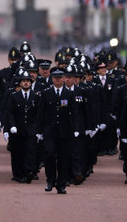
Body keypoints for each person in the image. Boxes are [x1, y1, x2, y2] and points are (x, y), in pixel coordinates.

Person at [37, 66, 83, 194]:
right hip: (49, 131)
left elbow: (74, 112)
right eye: (55, 78)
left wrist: (76, 129)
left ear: (63, 79)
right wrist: (39, 130)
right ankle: (50, 181)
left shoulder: (69, 94)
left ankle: (61, 184)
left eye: (59, 78)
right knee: (50, 155)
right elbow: (40, 113)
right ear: (52, 79)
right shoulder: (46, 93)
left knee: (63, 158)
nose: (57, 80)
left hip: (65, 131)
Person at [5, 67, 40, 183]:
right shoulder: (14, 96)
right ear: (20, 83)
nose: (26, 82)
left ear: (31, 82)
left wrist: (38, 129)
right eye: (23, 81)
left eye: (28, 80)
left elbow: (39, 114)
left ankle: (29, 171)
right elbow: (9, 112)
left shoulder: (36, 96)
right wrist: (12, 126)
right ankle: (18, 174)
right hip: (17, 130)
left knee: (30, 151)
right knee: (17, 152)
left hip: (31, 129)